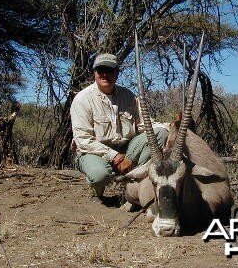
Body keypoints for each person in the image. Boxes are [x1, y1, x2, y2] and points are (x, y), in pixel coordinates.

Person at [70, 53, 168, 202]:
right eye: (100, 70)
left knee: (160, 133)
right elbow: (83, 140)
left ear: (117, 72)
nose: (104, 74)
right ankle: (98, 190)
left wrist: (172, 126)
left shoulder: (128, 95)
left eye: (109, 70)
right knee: (99, 175)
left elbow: (145, 125)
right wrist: (114, 157)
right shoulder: (82, 99)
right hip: (94, 151)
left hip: (126, 150)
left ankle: (131, 184)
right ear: (94, 73)